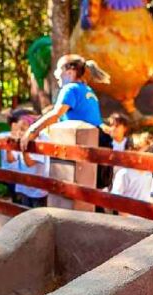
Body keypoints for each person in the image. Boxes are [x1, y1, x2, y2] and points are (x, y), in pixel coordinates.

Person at [19, 54, 113, 192]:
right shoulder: (87, 90)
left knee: (76, 192)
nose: (56, 74)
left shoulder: (70, 89)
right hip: (97, 143)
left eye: (58, 69)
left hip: (83, 144)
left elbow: (56, 114)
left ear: (69, 72)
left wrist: (31, 131)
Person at [107, 113, 153, 203]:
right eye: (111, 125)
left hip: (129, 179)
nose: (113, 128)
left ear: (125, 128)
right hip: (111, 179)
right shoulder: (106, 144)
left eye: (116, 126)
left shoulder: (131, 144)